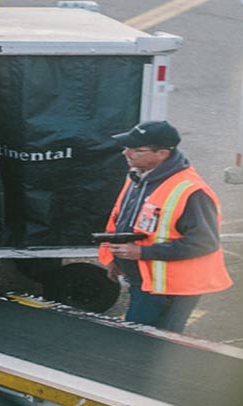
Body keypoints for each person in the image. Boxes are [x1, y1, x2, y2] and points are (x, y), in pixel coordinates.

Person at [98, 120, 232, 332]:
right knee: (139, 342)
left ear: (162, 154)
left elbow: (204, 243)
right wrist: (117, 260)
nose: (126, 153)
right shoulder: (138, 176)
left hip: (171, 289)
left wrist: (141, 252)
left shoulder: (192, 192)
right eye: (126, 147)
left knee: (154, 347)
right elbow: (126, 221)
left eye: (136, 149)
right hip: (145, 282)